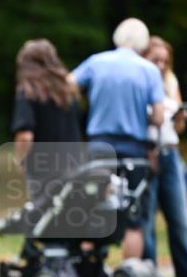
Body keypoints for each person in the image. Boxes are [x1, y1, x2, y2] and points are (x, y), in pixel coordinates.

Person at [70, 18, 165, 259]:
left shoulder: (97, 62)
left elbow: (67, 85)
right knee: (134, 216)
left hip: (99, 145)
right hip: (134, 149)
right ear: (143, 44)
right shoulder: (149, 70)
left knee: (92, 205)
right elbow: (159, 117)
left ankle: (86, 271)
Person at [142, 36, 187, 277]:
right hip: (148, 152)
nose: (160, 65)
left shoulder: (171, 82)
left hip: (171, 155)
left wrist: (181, 118)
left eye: (164, 60)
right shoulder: (138, 81)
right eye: (155, 59)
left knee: (181, 223)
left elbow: (178, 129)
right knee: (146, 223)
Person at [11, 38, 83, 205]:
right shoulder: (69, 91)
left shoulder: (28, 91)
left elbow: (25, 135)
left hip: (42, 166)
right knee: (69, 215)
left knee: (43, 218)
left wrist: (20, 159)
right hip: (72, 163)